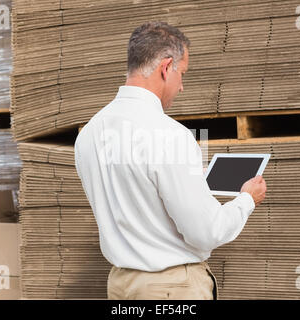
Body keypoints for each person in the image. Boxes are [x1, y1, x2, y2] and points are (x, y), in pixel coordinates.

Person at [74, 21, 267, 300]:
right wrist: (247, 199)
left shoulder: (90, 133)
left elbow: (135, 189)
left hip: (120, 286)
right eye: (182, 74)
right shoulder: (170, 135)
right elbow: (206, 232)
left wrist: (187, 178)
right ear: (166, 68)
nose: (182, 87)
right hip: (170, 290)